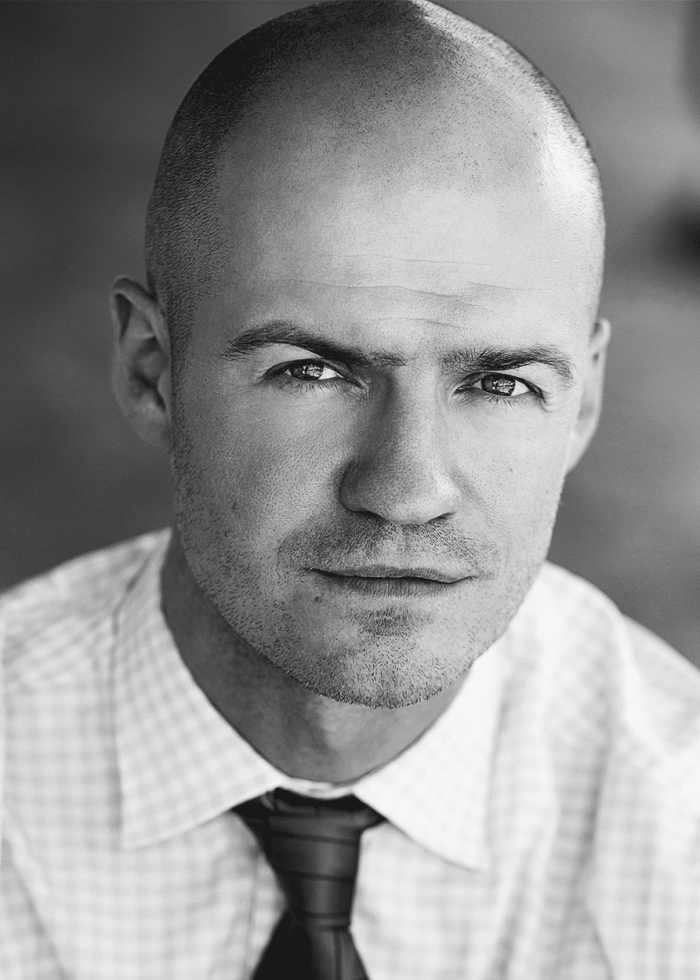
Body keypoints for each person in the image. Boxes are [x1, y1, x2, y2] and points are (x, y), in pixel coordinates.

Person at [2, 1, 699, 977]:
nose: (407, 490)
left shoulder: (679, 834)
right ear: (152, 370)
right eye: (313, 370)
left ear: (581, 403)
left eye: (499, 383)